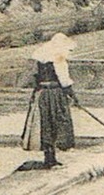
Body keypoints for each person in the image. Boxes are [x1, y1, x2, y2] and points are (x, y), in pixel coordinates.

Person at [21, 32, 78, 168]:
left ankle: (49, 157)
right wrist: (73, 97)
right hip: (55, 94)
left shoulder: (41, 59)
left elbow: (35, 78)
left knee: (45, 124)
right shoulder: (58, 59)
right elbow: (64, 81)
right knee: (56, 122)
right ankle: (51, 158)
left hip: (41, 94)